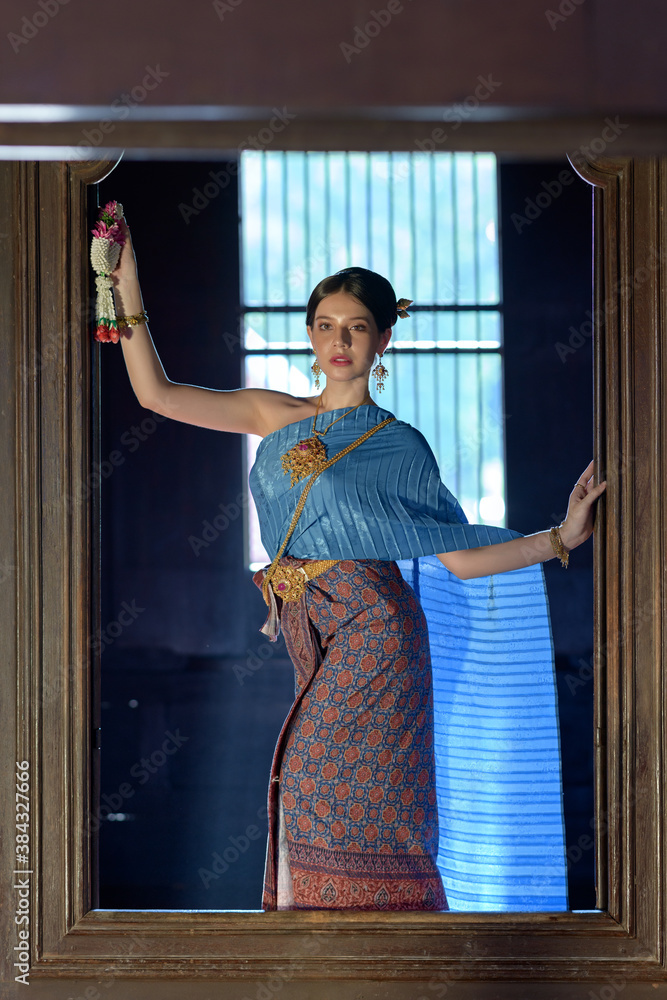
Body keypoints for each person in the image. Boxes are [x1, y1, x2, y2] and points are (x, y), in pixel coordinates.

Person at [110, 213, 606, 913]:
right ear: (310, 335)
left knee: (318, 778)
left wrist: (558, 538)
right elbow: (155, 394)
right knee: (305, 782)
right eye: (324, 325)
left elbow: (458, 558)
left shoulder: (399, 445)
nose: (338, 341)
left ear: (382, 341)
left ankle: (378, 948)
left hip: (378, 629)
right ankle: (327, 958)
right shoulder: (272, 413)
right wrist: (124, 281)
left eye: (356, 327)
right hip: (313, 630)